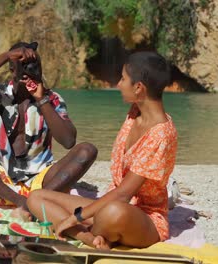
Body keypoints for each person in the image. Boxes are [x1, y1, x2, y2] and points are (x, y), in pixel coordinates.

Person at [27, 51, 177, 249]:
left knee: (113, 212)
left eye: (123, 79)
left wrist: (75, 217)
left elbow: (123, 194)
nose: (119, 84)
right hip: (109, 206)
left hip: (142, 219)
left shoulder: (161, 135)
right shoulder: (135, 112)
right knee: (36, 197)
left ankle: (79, 229)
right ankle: (88, 237)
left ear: (139, 88)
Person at [0, 42, 97, 219]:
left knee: (87, 150)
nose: (31, 69)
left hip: (43, 180)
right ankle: (24, 203)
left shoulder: (52, 99)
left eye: (35, 65)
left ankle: (35, 199)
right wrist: (4, 56)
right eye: (24, 65)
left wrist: (41, 100)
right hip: (1, 181)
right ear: (12, 68)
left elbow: (68, 141)